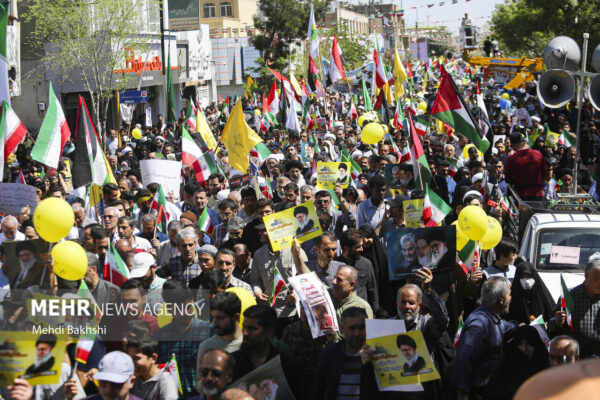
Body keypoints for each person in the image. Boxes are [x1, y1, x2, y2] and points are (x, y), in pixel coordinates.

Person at [450, 277, 518, 400]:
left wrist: (521, 326)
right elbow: (463, 361)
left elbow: (504, 326)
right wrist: (463, 395)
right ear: (501, 299)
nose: (511, 298)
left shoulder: (490, 317)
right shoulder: (479, 325)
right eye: (509, 294)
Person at [154, 280, 213, 398]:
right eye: (179, 309)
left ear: (193, 300)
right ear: (169, 308)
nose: (185, 313)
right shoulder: (160, 336)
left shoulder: (208, 331)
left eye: (188, 307)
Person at [231, 305, 303, 398]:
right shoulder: (233, 363)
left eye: (252, 328)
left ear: (269, 332)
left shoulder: (287, 366)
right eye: (244, 327)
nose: (245, 333)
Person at [313, 307, 378, 399]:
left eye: (361, 327)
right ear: (342, 328)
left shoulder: (376, 354)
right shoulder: (329, 355)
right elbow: (319, 391)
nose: (357, 333)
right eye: (352, 328)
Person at [195, 291, 243, 392]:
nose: (215, 323)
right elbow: (199, 384)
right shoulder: (206, 346)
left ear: (236, 317)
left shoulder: (249, 344)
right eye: (212, 318)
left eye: (220, 318)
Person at [551, 259, 600, 357]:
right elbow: (551, 323)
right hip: (574, 356)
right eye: (597, 279)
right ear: (586, 276)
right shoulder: (570, 296)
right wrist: (557, 321)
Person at [485, 325, 549, 400]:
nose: (524, 349)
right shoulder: (507, 371)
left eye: (528, 344)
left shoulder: (545, 368)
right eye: (520, 344)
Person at [336, 228, 379, 311]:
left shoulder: (366, 264)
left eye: (362, 246)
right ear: (347, 248)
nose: (362, 249)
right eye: (358, 247)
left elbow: (372, 290)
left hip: (363, 312)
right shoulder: (336, 266)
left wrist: (375, 311)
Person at [505, 131, 546, 200]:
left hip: (520, 196)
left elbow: (508, 179)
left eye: (511, 145)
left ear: (513, 144)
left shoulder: (512, 159)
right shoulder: (538, 154)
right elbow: (544, 173)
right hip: (537, 195)